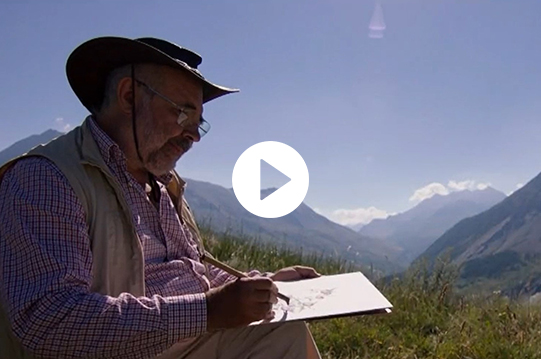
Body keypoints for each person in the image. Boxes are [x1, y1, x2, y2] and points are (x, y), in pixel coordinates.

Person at [0, 36, 322, 359]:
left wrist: (264, 284)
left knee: (285, 332)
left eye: (199, 124)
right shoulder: (47, 178)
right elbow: (46, 319)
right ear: (129, 96)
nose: (194, 136)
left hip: (187, 340)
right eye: (183, 114)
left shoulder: (163, 186)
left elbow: (194, 271)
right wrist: (208, 312)